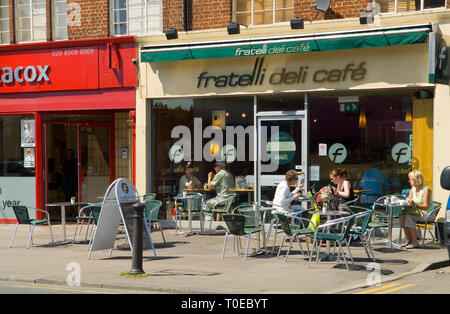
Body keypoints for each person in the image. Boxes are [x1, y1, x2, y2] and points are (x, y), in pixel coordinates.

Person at [400, 170, 432, 249]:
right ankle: (409, 239)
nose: (409, 181)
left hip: (426, 214)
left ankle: (415, 242)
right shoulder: (413, 189)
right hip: (416, 212)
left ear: (417, 180)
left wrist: (415, 204)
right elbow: (409, 202)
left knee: (409, 217)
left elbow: (426, 207)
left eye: (411, 179)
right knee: (401, 216)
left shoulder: (425, 190)